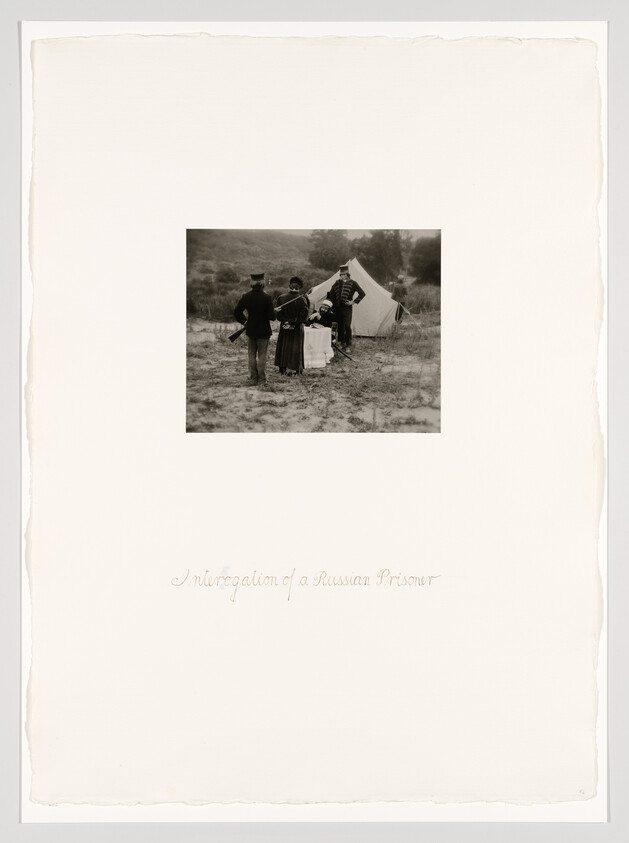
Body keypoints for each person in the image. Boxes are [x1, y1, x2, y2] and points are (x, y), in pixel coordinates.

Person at [233, 272, 276, 386]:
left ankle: (253, 379)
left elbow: (237, 312)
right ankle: (262, 380)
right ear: (262, 283)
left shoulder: (245, 296)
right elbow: (272, 317)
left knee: (251, 355)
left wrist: (245, 321)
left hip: (251, 330)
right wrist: (274, 311)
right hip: (264, 331)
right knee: (262, 356)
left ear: (251, 283)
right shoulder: (267, 298)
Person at [274, 276, 309, 375]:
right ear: (299, 287)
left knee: (284, 346)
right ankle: (298, 369)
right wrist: (293, 322)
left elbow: (279, 315)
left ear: (290, 286)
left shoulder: (281, 297)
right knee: (296, 348)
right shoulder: (303, 300)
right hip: (297, 327)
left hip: (284, 326)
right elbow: (304, 316)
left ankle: (282, 369)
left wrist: (286, 322)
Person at [328, 264, 365, 350]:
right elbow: (331, 294)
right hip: (337, 307)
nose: (342, 276)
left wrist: (353, 302)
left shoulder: (353, 283)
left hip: (347, 308)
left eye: (343, 274)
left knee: (347, 326)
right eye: (341, 275)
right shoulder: (337, 283)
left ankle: (348, 344)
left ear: (347, 275)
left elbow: (362, 293)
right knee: (340, 326)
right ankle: (341, 343)